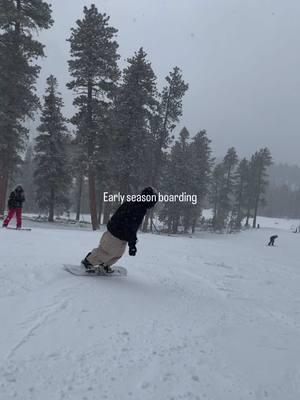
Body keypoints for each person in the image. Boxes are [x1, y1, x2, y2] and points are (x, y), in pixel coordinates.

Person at [81, 187, 158, 273]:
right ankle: (87, 263)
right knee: (106, 252)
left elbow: (132, 227)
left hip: (122, 236)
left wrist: (131, 241)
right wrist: (132, 244)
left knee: (118, 254)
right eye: (153, 202)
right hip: (115, 234)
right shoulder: (136, 207)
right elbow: (131, 227)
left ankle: (104, 265)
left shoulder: (140, 206)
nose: (153, 205)